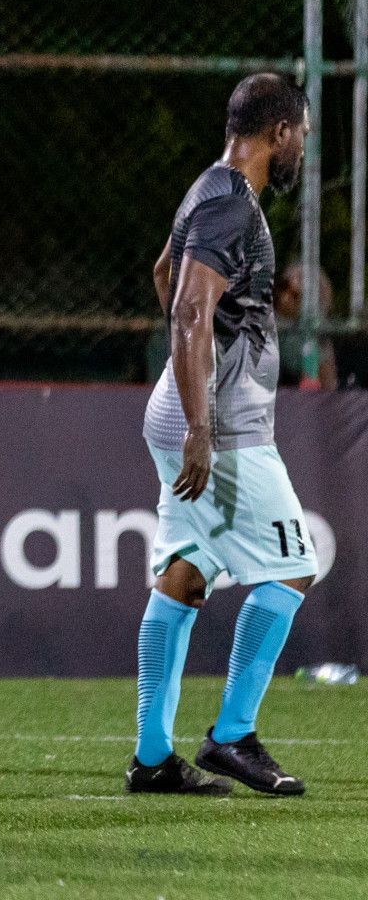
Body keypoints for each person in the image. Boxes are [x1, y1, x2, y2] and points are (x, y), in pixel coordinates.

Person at [131, 73, 317, 798]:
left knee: (185, 571)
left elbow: (161, 274)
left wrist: (189, 397)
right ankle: (232, 737)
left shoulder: (208, 189)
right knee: (292, 569)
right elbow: (186, 308)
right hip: (221, 425)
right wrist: (202, 422)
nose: (302, 144)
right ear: (279, 133)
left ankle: (151, 758)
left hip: (187, 413)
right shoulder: (232, 205)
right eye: (301, 132)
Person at [275, 260, 338, 390]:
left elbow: (328, 382)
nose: (285, 297)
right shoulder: (268, 321)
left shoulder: (315, 327)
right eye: (283, 287)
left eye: (296, 296)